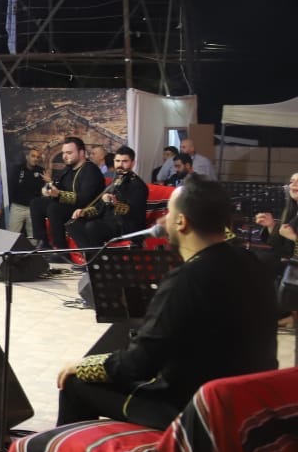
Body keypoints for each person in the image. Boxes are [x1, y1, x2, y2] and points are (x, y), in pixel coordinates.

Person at [55, 178, 279, 429]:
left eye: (169, 213)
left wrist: (82, 365)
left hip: (194, 409)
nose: (163, 220)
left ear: (182, 222)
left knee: (75, 383)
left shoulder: (185, 279)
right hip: (247, 397)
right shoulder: (252, 263)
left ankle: (65, 451)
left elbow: (138, 365)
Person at [66, 146, 148, 248]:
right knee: (73, 224)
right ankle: (91, 255)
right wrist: (84, 212)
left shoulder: (137, 185)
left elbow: (134, 212)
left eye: (125, 161)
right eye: (117, 161)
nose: (120, 165)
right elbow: (100, 206)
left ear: (133, 163)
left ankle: (96, 256)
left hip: (126, 225)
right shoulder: (116, 180)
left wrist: (115, 203)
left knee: (93, 226)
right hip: (109, 221)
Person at [33, 138, 104, 251]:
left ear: (81, 153)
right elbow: (57, 185)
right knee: (36, 203)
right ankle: (43, 242)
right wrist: (48, 189)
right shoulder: (68, 169)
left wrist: (59, 194)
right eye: (63, 153)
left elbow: (84, 199)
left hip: (86, 209)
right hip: (69, 206)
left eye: (69, 153)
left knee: (54, 208)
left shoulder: (91, 170)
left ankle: (61, 249)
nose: (64, 156)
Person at [7, 147, 46, 241]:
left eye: (37, 157)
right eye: (33, 156)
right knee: (11, 235)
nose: (35, 159)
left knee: (33, 236)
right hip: (17, 207)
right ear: (27, 157)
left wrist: (48, 182)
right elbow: (11, 186)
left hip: (33, 209)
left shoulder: (41, 171)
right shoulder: (17, 169)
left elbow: (45, 191)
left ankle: (32, 250)